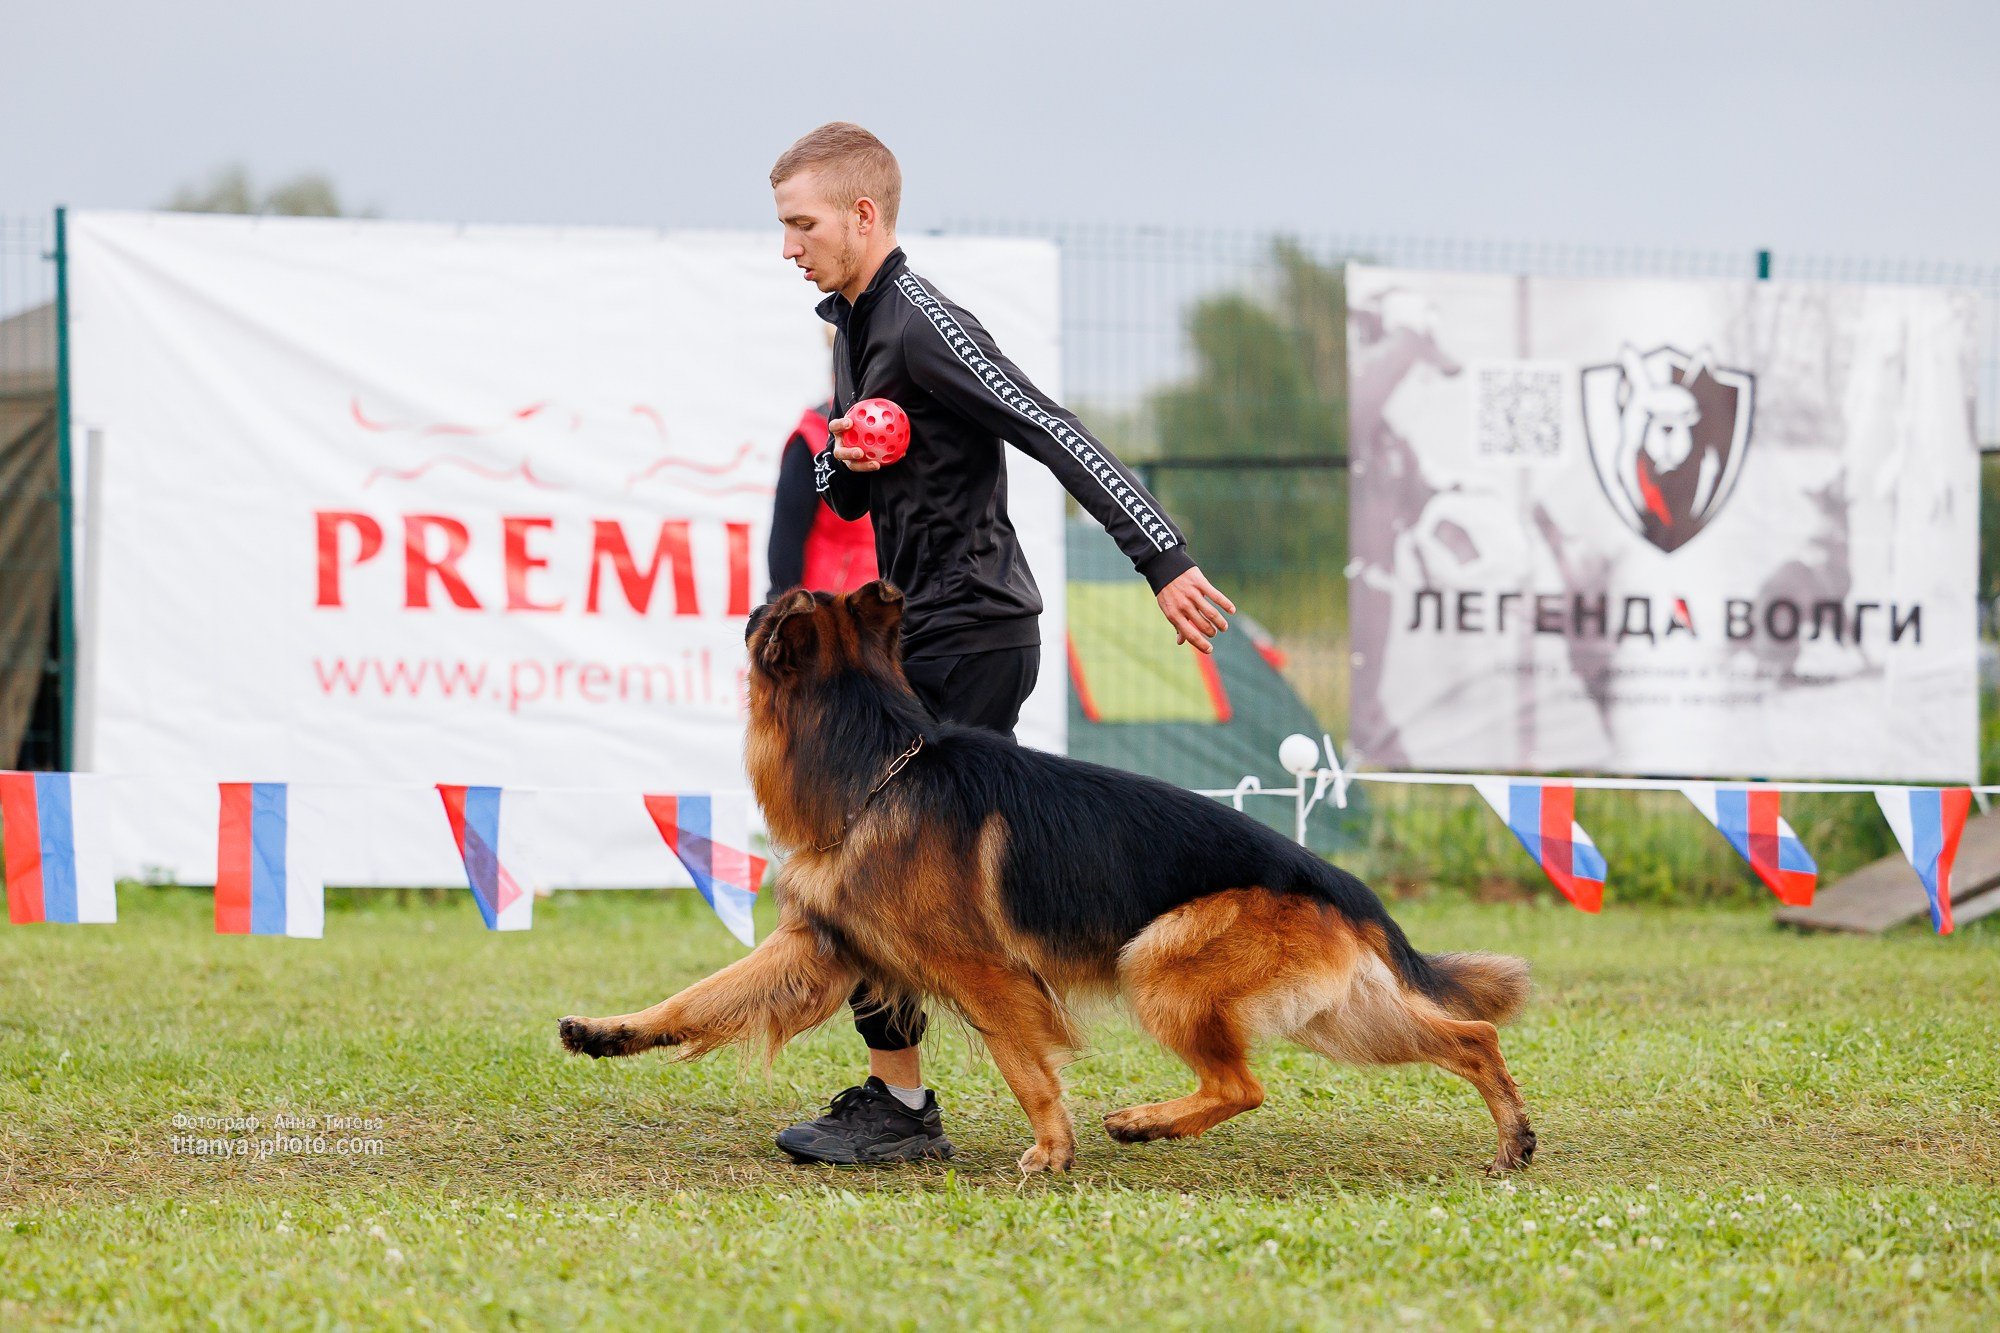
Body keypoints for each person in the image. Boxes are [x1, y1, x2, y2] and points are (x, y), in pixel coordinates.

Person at [767, 122, 1235, 1165]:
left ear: (862, 214)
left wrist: (1160, 555)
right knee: (872, 859)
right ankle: (904, 1094)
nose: (787, 247)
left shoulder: (923, 319)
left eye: (801, 225)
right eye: (781, 227)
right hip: (917, 625)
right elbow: (862, 475)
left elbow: (1048, 426)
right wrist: (852, 453)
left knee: (879, 864)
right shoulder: (851, 326)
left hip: (971, 624)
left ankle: (907, 1103)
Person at [767, 394, 879, 600]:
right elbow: (786, 536)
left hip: (885, 609)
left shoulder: (896, 434)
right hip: (826, 611)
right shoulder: (811, 439)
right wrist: (781, 605)